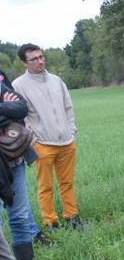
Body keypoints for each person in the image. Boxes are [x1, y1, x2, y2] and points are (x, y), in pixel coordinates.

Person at [12, 44, 81, 232]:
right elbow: (21, 116)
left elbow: (68, 107)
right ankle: (50, 221)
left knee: (67, 183)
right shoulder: (19, 85)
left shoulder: (56, 80)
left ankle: (71, 216)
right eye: (34, 59)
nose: (40, 61)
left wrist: (71, 130)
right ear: (24, 62)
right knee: (45, 186)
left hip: (66, 141)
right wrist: (34, 141)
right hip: (42, 144)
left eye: (41, 56)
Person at [0, 71, 48, 260]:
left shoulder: (2, 85)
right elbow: (12, 109)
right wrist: (6, 108)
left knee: (19, 215)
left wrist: (9, 108)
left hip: (13, 158)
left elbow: (21, 108)